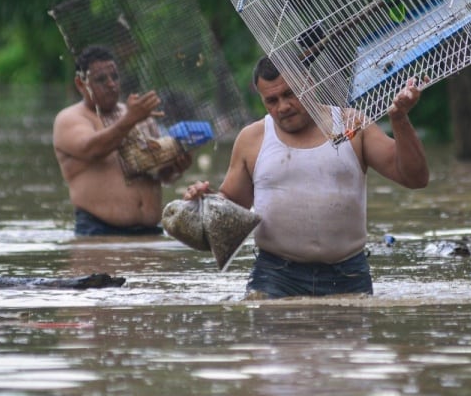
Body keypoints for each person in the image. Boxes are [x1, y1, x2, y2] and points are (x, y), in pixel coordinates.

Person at [183, 56, 429, 297]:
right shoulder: (252, 138)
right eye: (271, 100)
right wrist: (205, 201)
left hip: (348, 273)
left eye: (290, 94)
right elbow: (232, 205)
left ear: (310, 84)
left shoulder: (351, 125)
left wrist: (399, 120)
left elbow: (415, 178)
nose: (283, 107)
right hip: (276, 275)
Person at [53, 45, 191, 236]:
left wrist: (175, 168)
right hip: (98, 233)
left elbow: (160, 175)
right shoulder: (71, 118)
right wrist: (130, 120)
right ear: (80, 84)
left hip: (151, 232)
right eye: (101, 79)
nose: (111, 84)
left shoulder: (138, 114)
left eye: (114, 77)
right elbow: (92, 149)